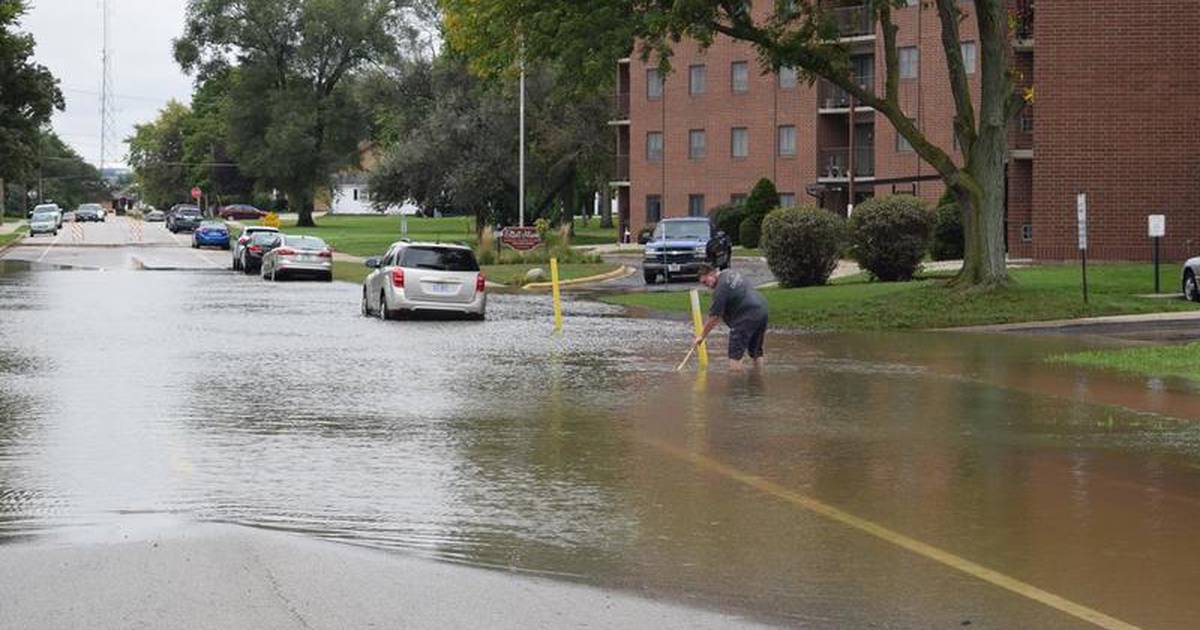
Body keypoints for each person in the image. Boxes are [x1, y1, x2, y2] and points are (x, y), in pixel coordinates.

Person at [692, 263, 768, 370]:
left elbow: (714, 318)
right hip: (762, 309)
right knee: (756, 351)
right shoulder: (730, 273)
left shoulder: (720, 290)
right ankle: (758, 379)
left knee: (735, 355)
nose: (706, 286)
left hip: (746, 316)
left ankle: (735, 384)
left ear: (712, 274)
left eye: (705, 282)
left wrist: (701, 336)